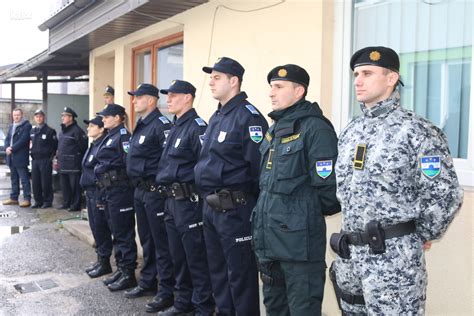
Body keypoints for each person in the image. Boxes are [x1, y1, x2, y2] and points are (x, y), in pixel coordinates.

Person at [330, 46, 464, 314]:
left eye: (367, 73)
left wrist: (418, 235)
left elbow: (445, 195)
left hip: (393, 264)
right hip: (351, 260)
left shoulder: (416, 130)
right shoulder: (351, 130)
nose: (358, 80)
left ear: (391, 78)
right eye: (356, 74)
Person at [252, 64, 340, 316]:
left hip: (299, 246)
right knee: (275, 308)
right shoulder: (275, 128)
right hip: (269, 240)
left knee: (303, 310)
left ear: (299, 90)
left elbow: (329, 192)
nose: (271, 93)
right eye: (271, 87)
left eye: (278, 87)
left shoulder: (315, 128)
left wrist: (301, 216)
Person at [194, 57, 268, 315]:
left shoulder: (249, 118)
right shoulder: (217, 115)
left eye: (217, 77)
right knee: (218, 274)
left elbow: (258, 171)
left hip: (235, 210)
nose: (211, 82)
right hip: (211, 208)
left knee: (241, 276)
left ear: (233, 81)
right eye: (211, 77)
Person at [156, 80, 215, 316]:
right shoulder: (176, 126)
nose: (168, 100)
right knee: (177, 257)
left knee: (195, 258)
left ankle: (202, 307)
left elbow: (205, 166)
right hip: (171, 202)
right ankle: (183, 303)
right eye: (167, 96)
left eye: (173, 95)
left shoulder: (197, 127)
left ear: (188, 97)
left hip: (189, 203)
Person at [124, 83, 175, 311]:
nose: (134, 101)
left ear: (152, 100)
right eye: (134, 98)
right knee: (146, 240)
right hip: (140, 191)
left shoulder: (161, 125)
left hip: (155, 192)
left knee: (160, 243)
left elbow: (168, 160)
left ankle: (166, 291)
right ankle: (147, 282)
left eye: (138, 97)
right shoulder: (142, 125)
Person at [95, 103, 138, 292]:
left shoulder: (123, 137)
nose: (103, 119)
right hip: (109, 191)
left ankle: (129, 273)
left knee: (124, 233)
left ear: (118, 118)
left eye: (106, 116)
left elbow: (128, 163)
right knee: (116, 232)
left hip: (120, 191)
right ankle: (121, 268)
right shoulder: (110, 136)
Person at [80, 116, 114, 279]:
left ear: (101, 129)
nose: (88, 128)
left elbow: (101, 172)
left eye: (92, 126)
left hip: (98, 192)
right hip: (90, 192)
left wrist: (100, 196)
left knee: (101, 228)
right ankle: (100, 260)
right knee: (95, 227)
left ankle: (105, 262)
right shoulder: (94, 144)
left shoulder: (103, 146)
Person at [56, 107, 88, 212]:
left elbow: (83, 147)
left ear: (71, 118)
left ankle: (75, 205)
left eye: (64, 116)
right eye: (62, 116)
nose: (62, 118)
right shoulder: (63, 131)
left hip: (73, 165)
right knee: (64, 186)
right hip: (63, 164)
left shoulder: (77, 131)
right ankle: (66, 203)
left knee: (75, 187)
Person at [3, 108, 32, 207]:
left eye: (18, 115)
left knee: (24, 179)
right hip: (11, 157)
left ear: (22, 115)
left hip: (20, 157)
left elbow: (24, 140)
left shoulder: (27, 126)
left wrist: (12, 148)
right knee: (14, 178)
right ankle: (14, 198)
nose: (16, 117)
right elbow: (7, 139)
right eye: (14, 115)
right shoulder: (11, 126)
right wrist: (6, 147)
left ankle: (27, 199)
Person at [30, 109, 58, 209]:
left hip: (45, 160)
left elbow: (55, 146)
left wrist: (51, 157)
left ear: (44, 117)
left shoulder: (50, 131)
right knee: (36, 182)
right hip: (35, 160)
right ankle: (38, 201)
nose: (39, 118)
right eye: (37, 116)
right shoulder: (33, 131)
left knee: (46, 182)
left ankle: (47, 201)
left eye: (40, 116)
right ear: (34, 118)